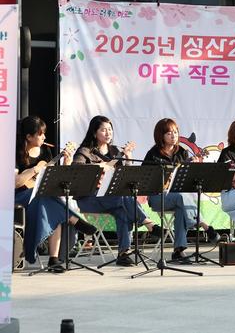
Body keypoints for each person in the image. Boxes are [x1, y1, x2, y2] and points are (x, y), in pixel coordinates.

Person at [73, 115, 163, 267]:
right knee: (123, 198)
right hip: (89, 199)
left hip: (113, 199)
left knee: (123, 210)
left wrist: (128, 159)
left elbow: (125, 178)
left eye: (110, 129)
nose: (108, 133)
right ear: (94, 133)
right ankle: (147, 222)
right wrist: (98, 166)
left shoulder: (114, 151)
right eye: (103, 130)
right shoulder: (85, 151)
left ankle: (123, 253)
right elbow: (76, 170)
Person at [14, 116, 97, 273]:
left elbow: (55, 179)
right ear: (29, 137)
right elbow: (15, 183)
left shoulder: (46, 151)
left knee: (50, 200)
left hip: (42, 197)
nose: (44, 137)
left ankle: (54, 259)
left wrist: (67, 162)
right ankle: (74, 220)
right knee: (46, 197)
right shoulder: (15, 152)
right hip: (19, 196)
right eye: (40, 134)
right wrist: (34, 170)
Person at [143, 118, 219, 263]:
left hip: (177, 197)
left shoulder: (182, 152)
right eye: (169, 133)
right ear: (160, 136)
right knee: (181, 198)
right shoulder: (153, 154)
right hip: (157, 197)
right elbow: (146, 180)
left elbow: (186, 181)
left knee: (181, 208)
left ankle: (178, 251)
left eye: (175, 132)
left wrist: (193, 167)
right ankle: (203, 225)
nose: (173, 135)